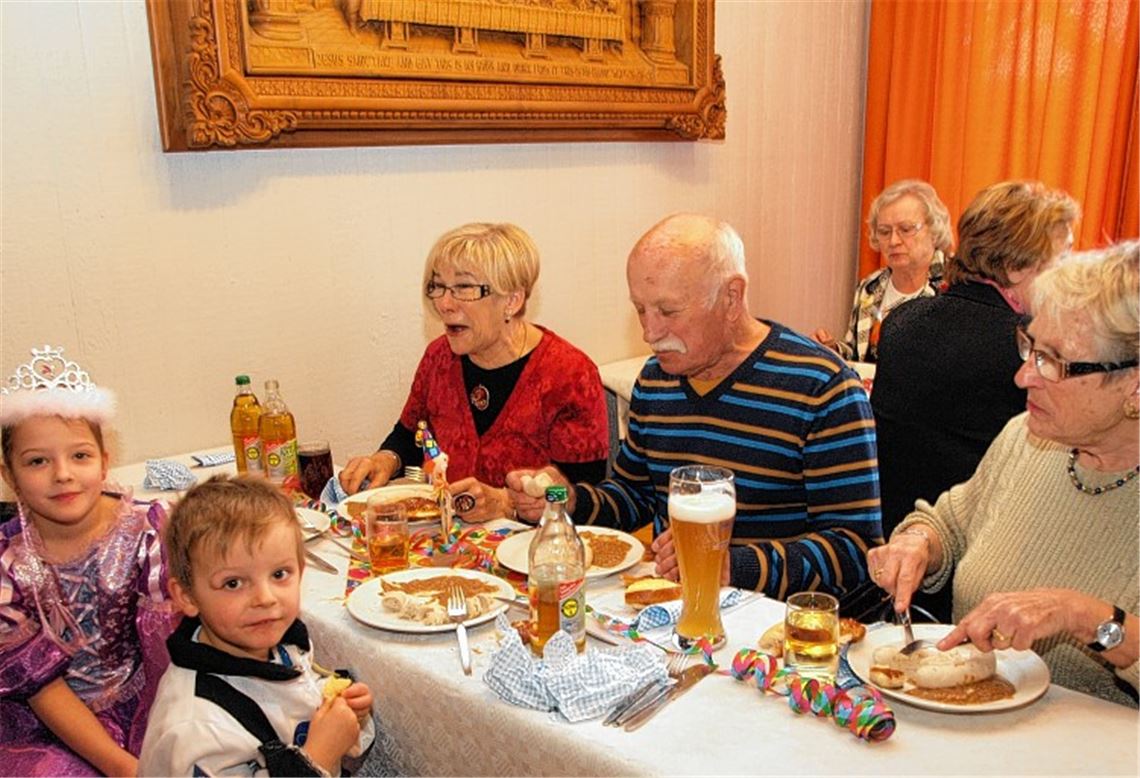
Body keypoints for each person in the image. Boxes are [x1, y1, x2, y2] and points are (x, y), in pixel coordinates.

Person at [507, 213, 882, 599]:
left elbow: (856, 548)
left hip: (781, 619)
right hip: (680, 607)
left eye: (668, 312)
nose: (650, 332)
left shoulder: (821, 386)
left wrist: (732, 565)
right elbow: (635, 496)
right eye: (640, 309)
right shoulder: (656, 379)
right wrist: (569, 501)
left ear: (731, 297)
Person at [868, 241, 1139, 707]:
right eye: (1030, 346)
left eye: (1053, 361)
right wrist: (918, 543)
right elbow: (950, 523)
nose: (1023, 376)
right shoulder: (1027, 438)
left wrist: (1082, 616)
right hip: (972, 722)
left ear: (1133, 386)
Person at [870, 181, 1078, 621]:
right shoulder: (1031, 354)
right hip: (985, 578)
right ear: (1017, 267)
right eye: (1061, 260)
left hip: (897, 561)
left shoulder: (901, 323)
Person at [339, 222, 608, 522]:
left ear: (512, 300)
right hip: (449, 538)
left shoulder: (569, 373)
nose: (444, 304)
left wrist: (508, 503)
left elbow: (583, 494)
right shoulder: (439, 357)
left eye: (464, 288)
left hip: (534, 544)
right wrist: (385, 460)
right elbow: (412, 435)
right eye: (438, 286)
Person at [0, 346, 176, 777]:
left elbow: (166, 647)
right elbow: (40, 686)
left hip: (147, 699)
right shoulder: (8, 564)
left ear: (104, 462)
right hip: (43, 722)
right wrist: (121, 766)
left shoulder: (147, 532)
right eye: (37, 461)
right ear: (9, 476)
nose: (62, 474)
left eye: (79, 455)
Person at [138, 476, 376, 775]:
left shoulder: (282, 645)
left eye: (279, 574)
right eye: (233, 583)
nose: (265, 598)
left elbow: (298, 698)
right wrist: (318, 757)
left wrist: (345, 712)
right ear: (187, 596)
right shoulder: (197, 729)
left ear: (301, 571)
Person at [813, 179, 952, 362]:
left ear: (934, 230)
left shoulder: (955, 285)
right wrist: (833, 351)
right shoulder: (870, 287)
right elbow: (857, 355)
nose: (893, 241)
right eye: (885, 232)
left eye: (905, 229)